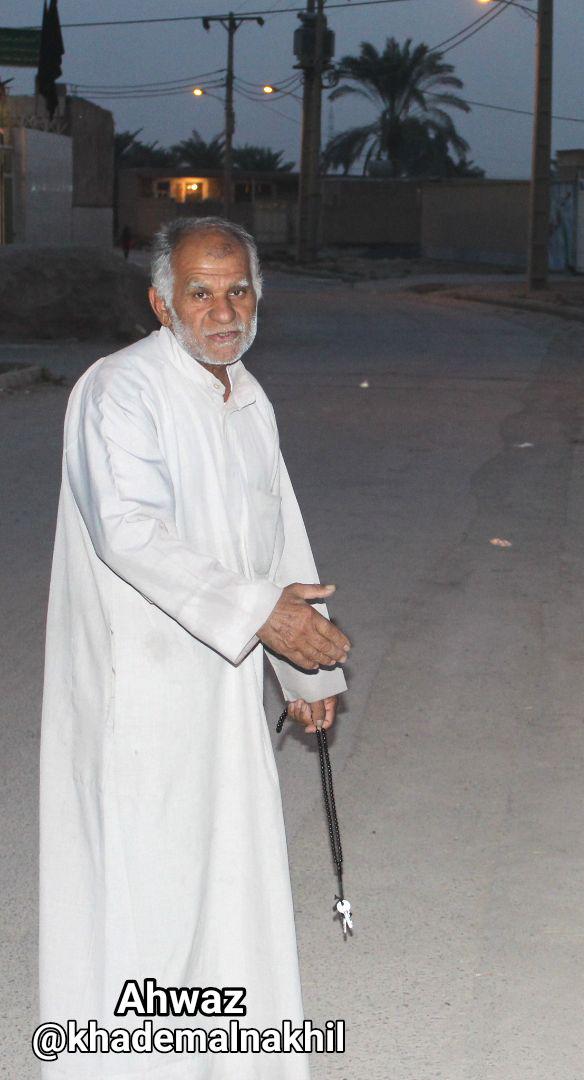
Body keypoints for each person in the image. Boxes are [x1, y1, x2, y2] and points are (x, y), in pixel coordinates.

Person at [39, 216, 350, 1079]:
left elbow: (279, 540)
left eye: (238, 290)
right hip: (140, 695)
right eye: (201, 292)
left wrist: (305, 668)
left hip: (224, 686)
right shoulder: (120, 391)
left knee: (226, 887)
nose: (223, 311)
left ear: (259, 297)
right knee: (150, 897)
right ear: (161, 302)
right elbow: (129, 531)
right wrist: (261, 617)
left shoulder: (247, 397)